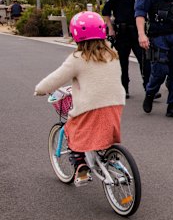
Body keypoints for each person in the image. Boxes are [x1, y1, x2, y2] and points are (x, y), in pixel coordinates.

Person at [34, 12, 126, 186]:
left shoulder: (78, 59)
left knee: (72, 130)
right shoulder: (112, 53)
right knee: (104, 129)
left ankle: (81, 167)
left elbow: (56, 78)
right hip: (115, 103)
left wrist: (40, 89)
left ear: (76, 34)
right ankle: (107, 154)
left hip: (90, 107)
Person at [102, 0, 153, 99]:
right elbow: (106, 12)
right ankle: (124, 88)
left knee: (145, 60)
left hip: (137, 32)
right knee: (122, 62)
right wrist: (110, 29)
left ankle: (149, 88)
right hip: (122, 32)